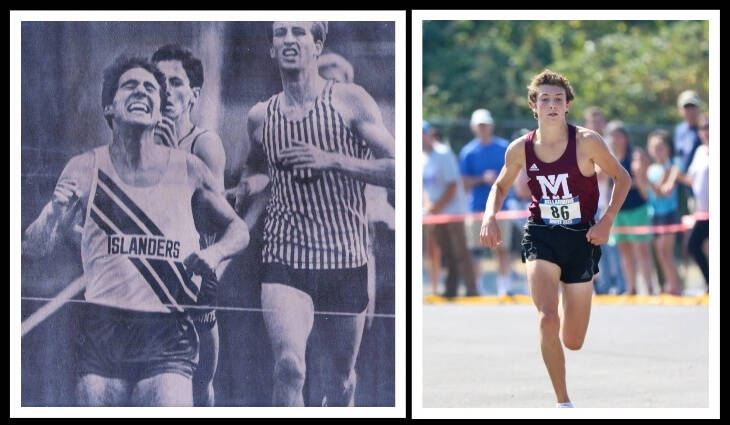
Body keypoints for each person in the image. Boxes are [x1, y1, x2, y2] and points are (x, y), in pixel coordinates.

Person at [21, 55, 249, 406]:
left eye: (150, 89)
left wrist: (214, 253)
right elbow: (34, 248)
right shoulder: (83, 168)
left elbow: (238, 229)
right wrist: (54, 213)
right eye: (130, 86)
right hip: (103, 331)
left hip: (168, 331)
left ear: (160, 113)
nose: (141, 92)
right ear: (109, 107)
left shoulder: (190, 169)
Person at [246, 21, 395, 407]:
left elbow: (400, 169)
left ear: (317, 44)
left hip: (344, 257)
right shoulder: (260, 117)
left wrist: (331, 161)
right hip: (285, 255)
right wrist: (247, 185)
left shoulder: (350, 100)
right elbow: (257, 169)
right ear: (271, 49)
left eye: (299, 32)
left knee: (340, 380)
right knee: (290, 367)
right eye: (281, 33)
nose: (289, 40)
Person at [480, 70, 630, 407]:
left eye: (557, 99)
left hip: (582, 239)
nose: (551, 105)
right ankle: (563, 403)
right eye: (544, 99)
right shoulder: (521, 148)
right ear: (534, 106)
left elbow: (623, 178)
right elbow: (500, 186)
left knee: (573, 341)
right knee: (547, 318)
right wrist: (490, 215)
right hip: (541, 234)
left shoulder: (587, 141)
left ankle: (565, 307)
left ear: (567, 106)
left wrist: (606, 221)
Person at [152, 44, 227, 406]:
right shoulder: (137, 136)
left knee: (199, 382)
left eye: (176, 82)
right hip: (147, 268)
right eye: (159, 81)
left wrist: (175, 160)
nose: (166, 90)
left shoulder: (205, 143)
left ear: (193, 95)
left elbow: (216, 216)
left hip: (193, 277)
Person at [459, 109, 515, 295]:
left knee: (502, 249)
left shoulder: (504, 148)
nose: (483, 128)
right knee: (475, 251)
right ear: (474, 127)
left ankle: (504, 288)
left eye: (486, 125)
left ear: (491, 125)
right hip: (476, 208)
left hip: (502, 208)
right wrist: (482, 178)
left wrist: (498, 180)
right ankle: (478, 287)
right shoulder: (468, 151)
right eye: (480, 125)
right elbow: (464, 181)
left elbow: (513, 174)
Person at [423, 121, 478, 298]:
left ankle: (471, 290)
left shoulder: (443, 153)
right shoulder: (421, 157)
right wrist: (428, 206)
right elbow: (422, 186)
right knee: (447, 253)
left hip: (452, 212)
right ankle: (451, 290)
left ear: (429, 134)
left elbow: (453, 185)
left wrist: (436, 207)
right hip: (435, 214)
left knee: (460, 252)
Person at [604, 120, 657, 295]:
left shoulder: (635, 155)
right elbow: (606, 181)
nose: (615, 140)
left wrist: (631, 180)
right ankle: (631, 288)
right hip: (618, 210)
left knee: (642, 251)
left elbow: (641, 182)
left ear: (625, 137)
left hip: (637, 208)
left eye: (618, 136)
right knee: (624, 250)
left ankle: (649, 288)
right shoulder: (608, 157)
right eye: (612, 136)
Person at [583, 107, 626, 295]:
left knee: (613, 247)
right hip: (588, 204)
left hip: (606, 204)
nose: (596, 125)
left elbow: (605, 173)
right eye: (592, 122)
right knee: (595, 249)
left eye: (599, 121)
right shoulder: (582, 143)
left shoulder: (607, 144)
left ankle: (620, 284)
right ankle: (603, 285)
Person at [641, 129, 682, 295]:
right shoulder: (651, 169)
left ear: (667, 148)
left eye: (660, 147)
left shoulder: (672, 167)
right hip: (655, 215)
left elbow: (664, 192)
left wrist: (645, 179)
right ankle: (668, 286)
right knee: (660, 253)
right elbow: (648, 196)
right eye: (654, 147)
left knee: (666, 252)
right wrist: (642, 177)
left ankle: (675, 287)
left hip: (669, 214)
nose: (657, 151)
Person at [678, 113, 709, 290]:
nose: (707, 131)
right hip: (702, 211)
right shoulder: (699, 152)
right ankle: (709, 282)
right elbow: (692, 178)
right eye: (703, 128)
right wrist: (675, 175)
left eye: (710, 127)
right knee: (694, 245)